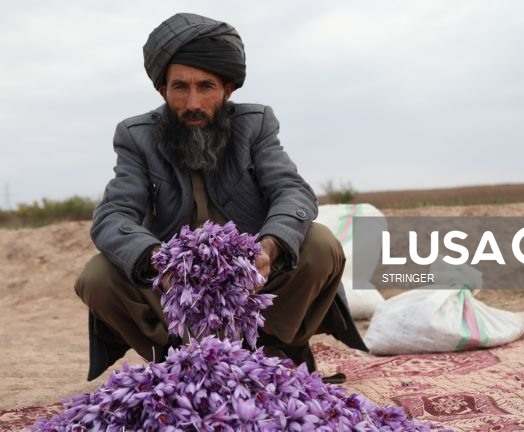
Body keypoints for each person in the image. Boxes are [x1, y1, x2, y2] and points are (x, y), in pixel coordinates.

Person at [76, 12, 367, 381]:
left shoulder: (255, 124)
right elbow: (113, 216)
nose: (193, 102)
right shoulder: (137, 137)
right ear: (162, 90)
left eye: (206, 86)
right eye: (180, 87)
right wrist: (160, 262)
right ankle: (178, 362)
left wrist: (269, 247)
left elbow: (292, 191)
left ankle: (273, 348)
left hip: (253, 281)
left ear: (227, 90)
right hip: (175, 288)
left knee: (321, 243)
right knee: (97, 276)